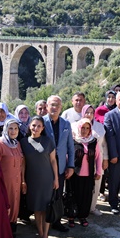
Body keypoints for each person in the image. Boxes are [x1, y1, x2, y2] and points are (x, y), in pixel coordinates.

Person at [20, 117, 59, 238]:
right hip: (32, 180)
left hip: (47, 179)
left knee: (46, 208)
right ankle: (40, 233)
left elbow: (53, 160)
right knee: (37, 208)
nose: (36, 128)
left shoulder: (48, 141)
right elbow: (23, 163)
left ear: (43, 128)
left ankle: (45, 236)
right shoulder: (24, 142)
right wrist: (23, 180)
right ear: (29, 126)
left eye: (39, 126)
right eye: (34, 125)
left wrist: (56, 179)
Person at [44, 95, 75, 230]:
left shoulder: (66, 124)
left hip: (61, 165)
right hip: (44, 165)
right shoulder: (41, 122)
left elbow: (70, 147)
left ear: (61, 107)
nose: (54, 107)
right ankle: (44, 222)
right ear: (47, 107)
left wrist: (71, 166)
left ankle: (56, 220)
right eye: (52, 104)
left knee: (58, 194)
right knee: (45, 194)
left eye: (57, 105)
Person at [68, 118, 102, 227]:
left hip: (88, 174)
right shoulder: (73, 141)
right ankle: (71, 216)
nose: (85, 130)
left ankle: (82, 216)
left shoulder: (93, 141)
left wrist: (99, 171)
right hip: (74, 174)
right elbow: (68, 156)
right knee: (73, 195)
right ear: (79, 128)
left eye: (87, 128)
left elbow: (98, 157)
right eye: (82, 127)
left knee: (86, 196)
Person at [0, 119, 25, 232]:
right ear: (6, 129)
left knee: (15, 202)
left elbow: (22, 162)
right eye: (10, 128)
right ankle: (4, 230)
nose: (13, 131)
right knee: (5, 204)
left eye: (16, 128)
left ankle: (13, 225)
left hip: (16, 182)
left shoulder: (17, 144)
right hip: (4, 182)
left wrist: (23, 180)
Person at [82, 105, 108, 217]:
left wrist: (105, 159)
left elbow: (104, 144)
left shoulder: (100, 126)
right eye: (87, 112)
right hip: (82, 161)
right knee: (82, 185)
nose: (89, 114)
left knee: (96, 183)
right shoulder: (77, 125)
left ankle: (92, 207)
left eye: (91, 112)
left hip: (98, 159)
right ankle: (81, 207)